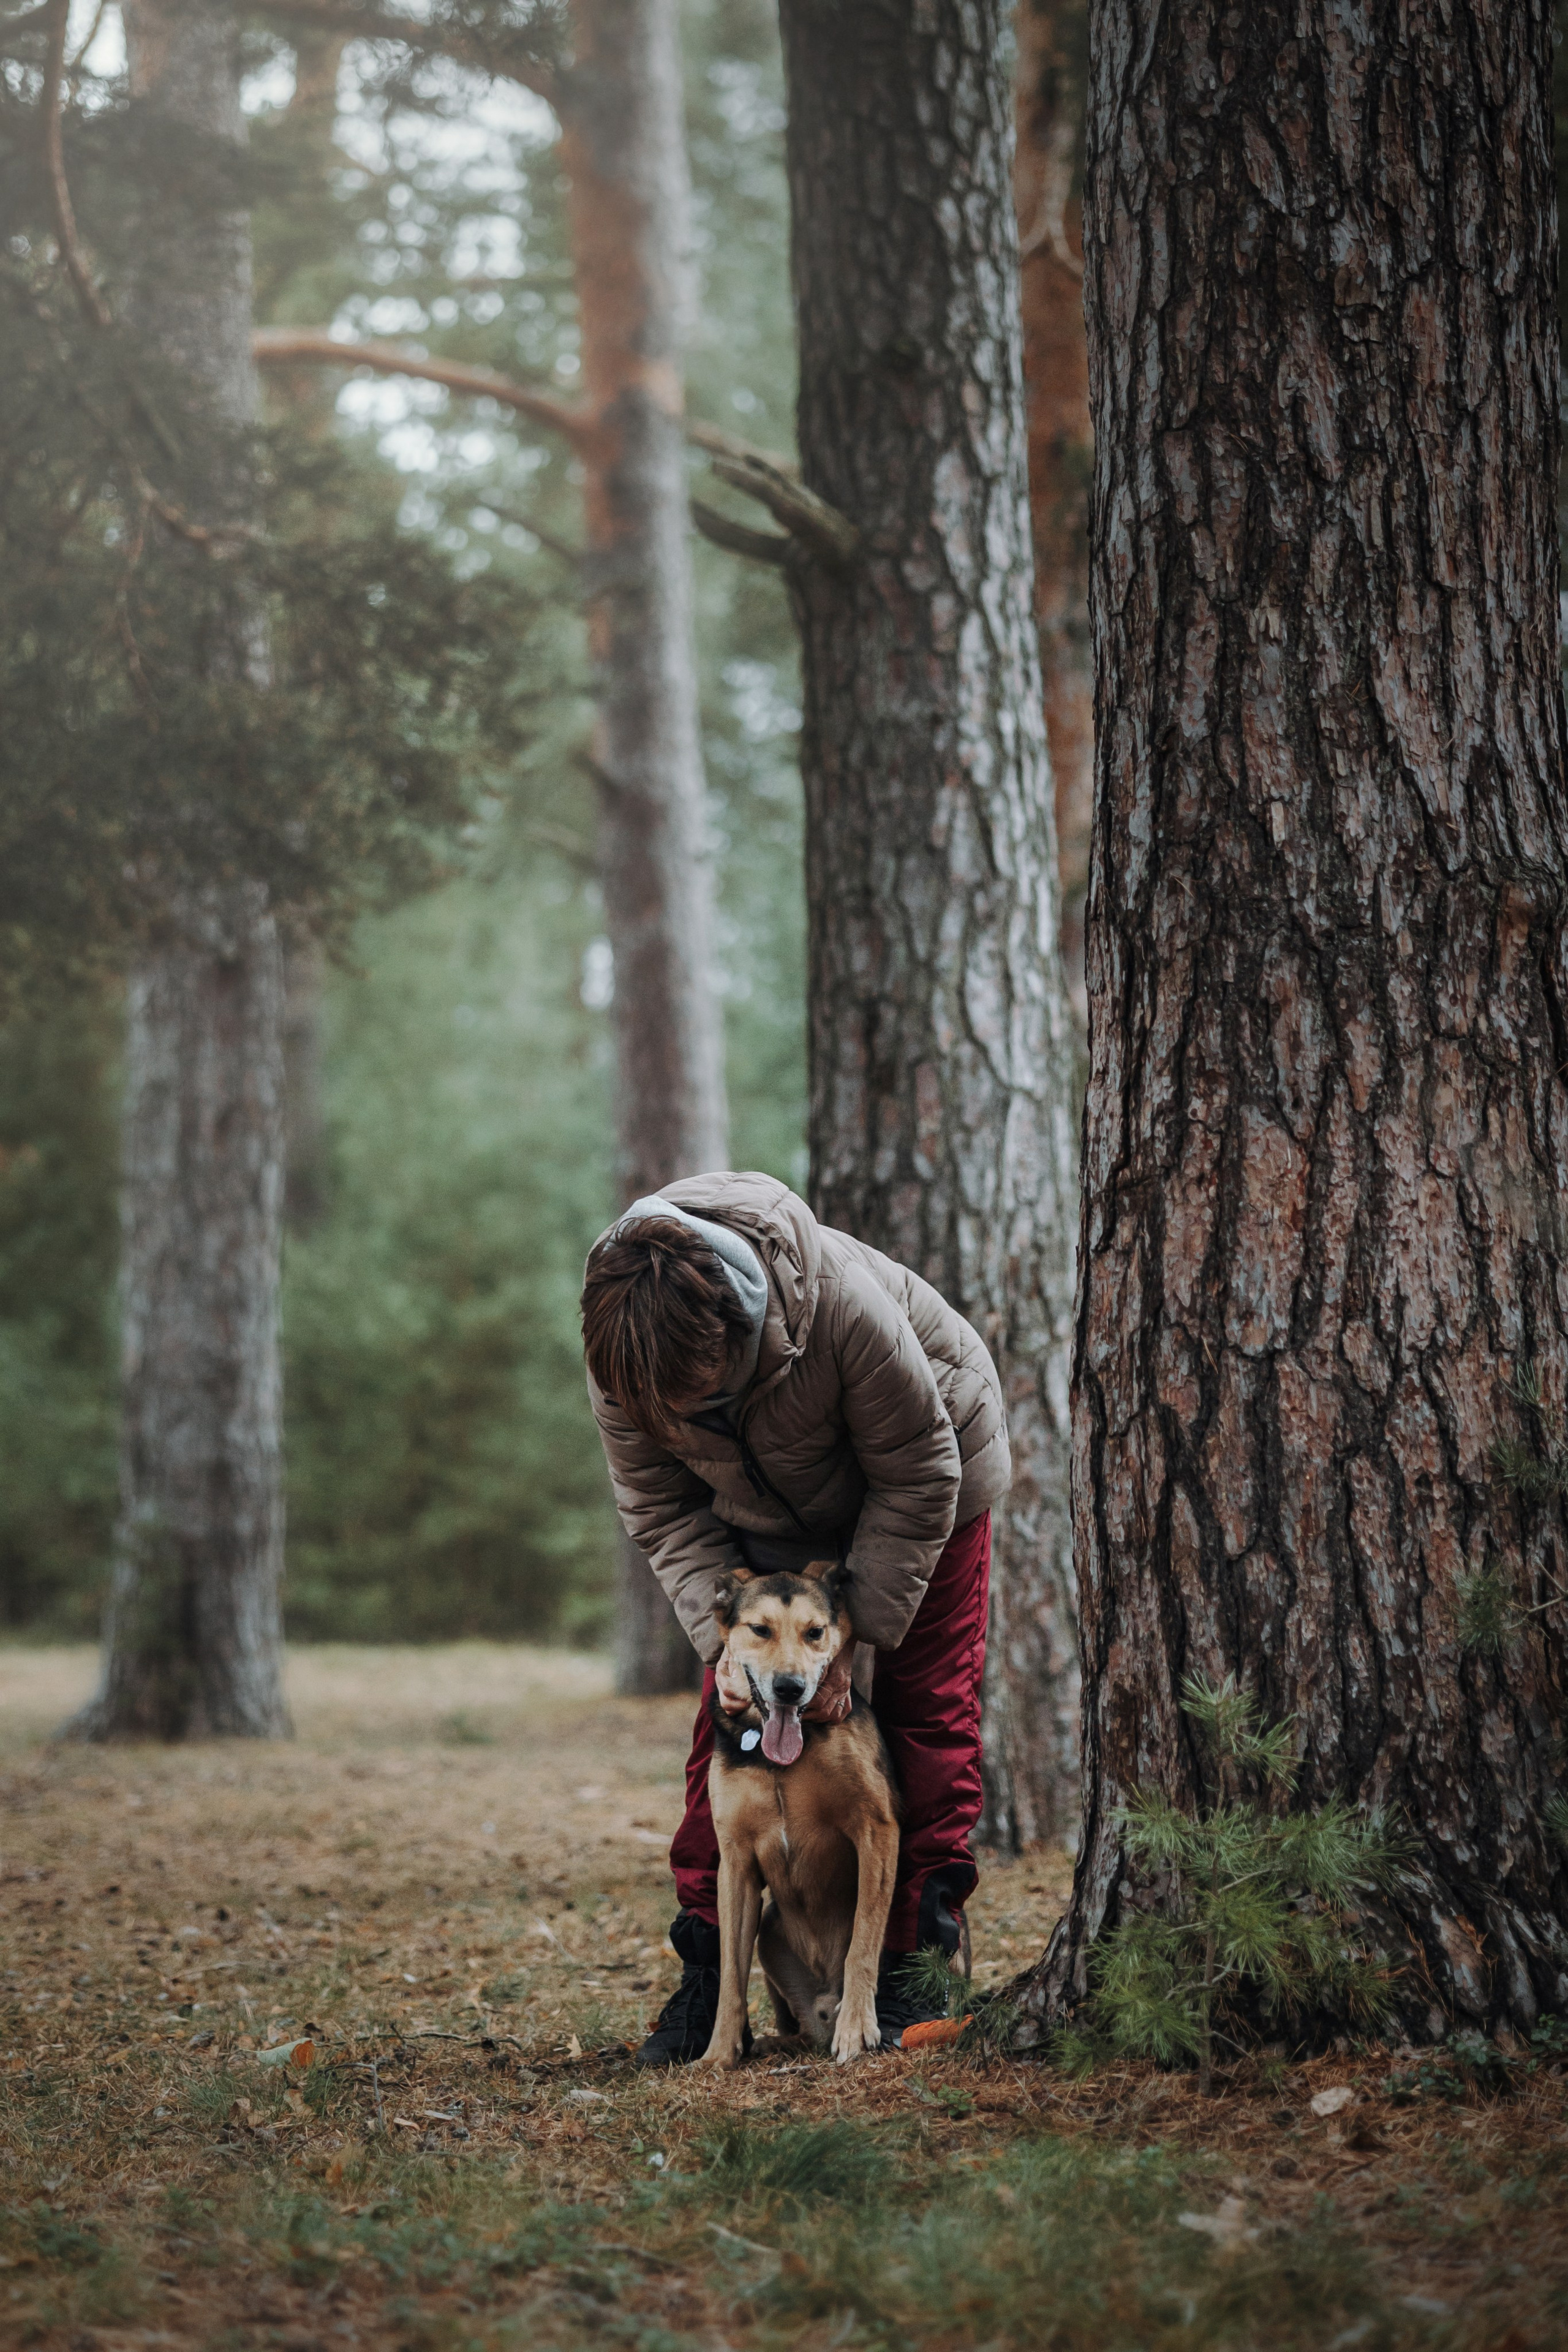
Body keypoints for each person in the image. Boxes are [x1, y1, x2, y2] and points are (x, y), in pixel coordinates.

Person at [579, 1170, 1011, 2063]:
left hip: (933, 1477)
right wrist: (729, 1651)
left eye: (702, 1392)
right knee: (729, 1725)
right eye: (669, 1407)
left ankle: (912, 1975)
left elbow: (920, 1472)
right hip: (771, 1521)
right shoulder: (625, 1352)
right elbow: (662, 1514)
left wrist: (851, 1642)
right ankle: (709, 1973)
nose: (687, 1416)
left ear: (735, 1330)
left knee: (928, 1720)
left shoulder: (839, 1310)